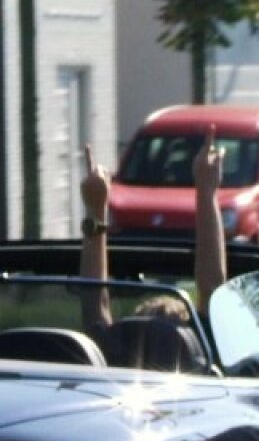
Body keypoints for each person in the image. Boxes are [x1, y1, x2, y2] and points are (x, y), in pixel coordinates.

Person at [79, 126, 226, 327]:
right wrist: (207, 192)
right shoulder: (197, 354)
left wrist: (95, 209)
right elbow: (212, 288)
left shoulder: (120, 354)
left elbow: (94, 306)